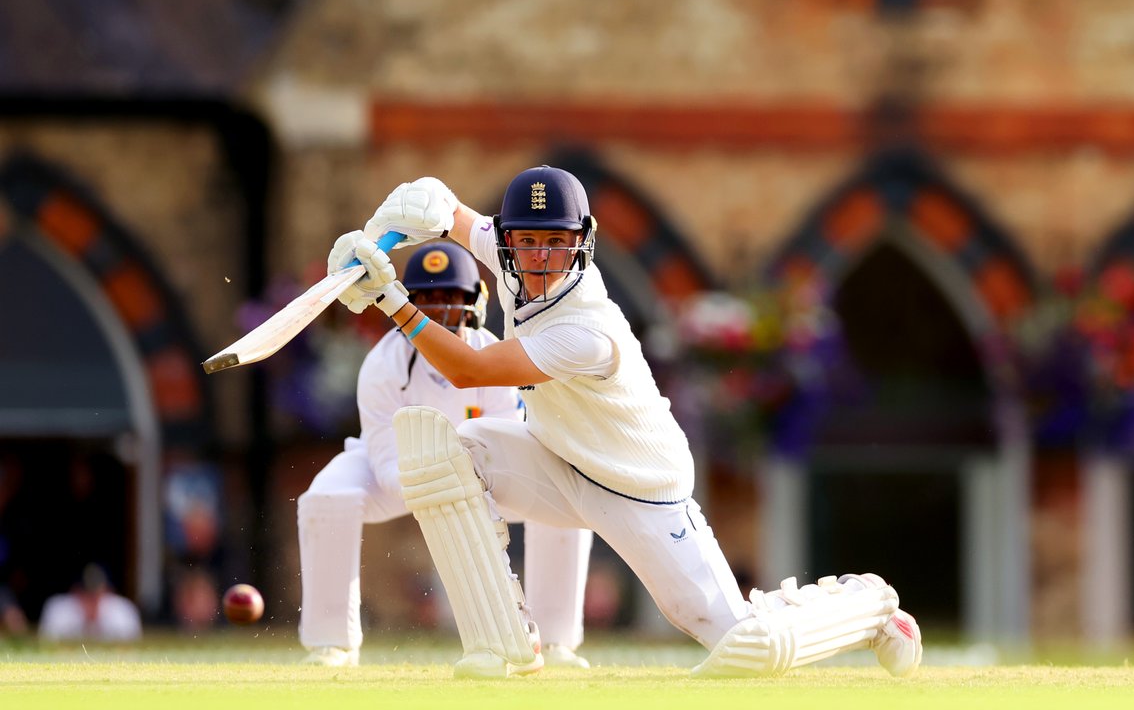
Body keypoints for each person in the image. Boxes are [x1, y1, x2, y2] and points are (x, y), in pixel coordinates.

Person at [328, 166, 922, 679]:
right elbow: (437, 204)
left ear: (581, 243)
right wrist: (373, 240)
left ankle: (867, 605)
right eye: (526, 241)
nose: (538, 259)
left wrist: (393, 300)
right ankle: (506, 641)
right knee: (449, 451)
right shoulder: (511, 257)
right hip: (556, 459)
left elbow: (470, 368)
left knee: (747, 646)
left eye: (554, 243)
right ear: (507, 240)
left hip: (639, 489)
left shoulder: (585, 329)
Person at [299, 241, 593, 667]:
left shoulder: (493, 358)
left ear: (472, 303)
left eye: (449, 297)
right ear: (409, 304)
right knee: (327, 495)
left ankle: (556, 640)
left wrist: (464, 490)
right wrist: (435, 488)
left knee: (566, 505)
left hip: (484, 475)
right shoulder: (383, 366)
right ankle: (333, 643)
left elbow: (507, 448)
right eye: (427, 298)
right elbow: (384, 463)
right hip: (402, 474)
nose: (438, 310)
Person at [38, 563, 141, 643]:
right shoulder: (58, 608)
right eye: (86, 594)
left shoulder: (123, 610)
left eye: (97, 594)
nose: (92, 600)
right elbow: (46, 642)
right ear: (75, 591)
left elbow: (133, 644)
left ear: (108, 591)